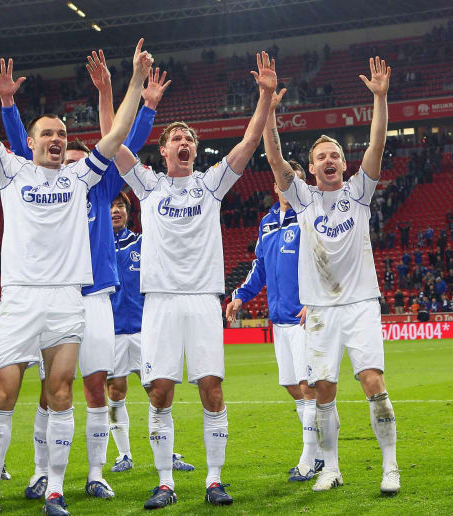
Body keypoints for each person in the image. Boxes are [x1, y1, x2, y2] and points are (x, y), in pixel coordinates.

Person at [0, 23, 153, 516]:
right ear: (33, 141)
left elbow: (119, 132)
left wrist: (132, 82)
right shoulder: (11, 172)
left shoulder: (83, 179)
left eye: (62, 134)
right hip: (20, 297)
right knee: (4, 393)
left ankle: (56, 491)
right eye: (48, 134)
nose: (57, 140)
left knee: (62, 392)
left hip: (66, 297)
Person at [0, 52, 171, 500]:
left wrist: (130, 97)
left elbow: (120, 139)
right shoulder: (44, 179)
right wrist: (10, 107)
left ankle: (95, 472)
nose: (69, 160)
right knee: (48, 392)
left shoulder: (100, 182)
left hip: (95, 297)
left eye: (75, 152)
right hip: (51, 295)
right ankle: (38, 472)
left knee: (93, 386)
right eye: (62, 151)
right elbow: (20, 146)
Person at [117, 51, 276, 509]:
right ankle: (165, 482)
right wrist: (129, 86)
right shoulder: (148, 186)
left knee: (211, 387)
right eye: (175, 138)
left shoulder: (211, 184)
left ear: (193, 149)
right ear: (163, 151)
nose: (183, 142)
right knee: (161, 391)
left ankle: (213, 479)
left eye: (189, 137)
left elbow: (248, 143)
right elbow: (114, 142)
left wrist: (265, 95)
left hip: (204, 298)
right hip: (162, 300)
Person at [261, 56, 399, 494]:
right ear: (314, 166)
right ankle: (331, 467)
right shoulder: (301, 200)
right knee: (323, 390)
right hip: (319, 309)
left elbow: (376, 145)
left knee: (373, 381)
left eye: (335, 154)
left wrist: (380, 99)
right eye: (321, 156)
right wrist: (269, 109)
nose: (329, 160)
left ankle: (390, 467)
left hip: (359, 303)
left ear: (343, 161)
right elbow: (274, 156)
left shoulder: (359, 193)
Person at [225, 158, 324, 482]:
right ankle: (320, 452)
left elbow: (326, 261)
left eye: (294, 180)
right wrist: (240, 295)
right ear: (275, 187)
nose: (288, 186)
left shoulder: (310, 217)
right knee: (292, 385)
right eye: (283, 181)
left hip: (303, 317)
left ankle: (310, 459)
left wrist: (315, 300)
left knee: (309, 387)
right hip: (279, 319)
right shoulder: (267, 222)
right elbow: (260, 268)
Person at [106, 192, 195, 474]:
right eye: (110, 207)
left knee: (157, 391)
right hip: (113, 332)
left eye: (120, 205)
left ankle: (167, 452)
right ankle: (124, 455)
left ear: (129, 211)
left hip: (146, 330)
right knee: (116, 391)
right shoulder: (97, 246)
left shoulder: (143, 243)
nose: (115, 211)